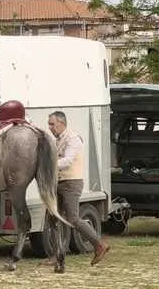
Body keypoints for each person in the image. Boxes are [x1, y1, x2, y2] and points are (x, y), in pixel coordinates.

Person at [44, 110, 110, 273]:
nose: (50, 127)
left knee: (72, 217)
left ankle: (99, 244)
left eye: (52, 124)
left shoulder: (73, 139)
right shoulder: (56, 139)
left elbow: (67, 161)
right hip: (58, 182)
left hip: (71, 183)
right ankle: (56, 255)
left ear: (61, 123)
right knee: (52, 217)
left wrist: (47, 165)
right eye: (49, 124)